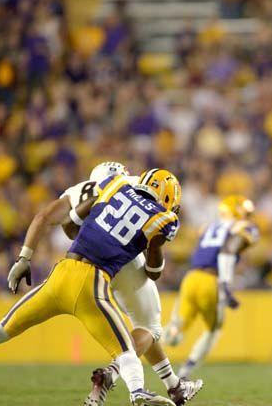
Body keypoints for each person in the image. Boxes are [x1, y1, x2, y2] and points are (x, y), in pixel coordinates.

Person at [0, 168, 182, 406]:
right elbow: (154, 271)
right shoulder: (164, 219)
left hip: (61, 273)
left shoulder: (115, 184)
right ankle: (138, 394)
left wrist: (27, 257)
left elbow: (71, 221)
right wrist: (148, 244)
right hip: (92, 282)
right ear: (168, 197)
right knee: (125, 352)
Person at [61, 163, 202, 406]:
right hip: (122, 260)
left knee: (145, 325)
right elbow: (154, 271)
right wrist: (156, 244)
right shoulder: (133, 189)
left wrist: (25, 256)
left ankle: (175, 386)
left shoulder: (81, 190)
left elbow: (65, 224)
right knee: (150, 327)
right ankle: (111, 373)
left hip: (86, 261)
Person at [164, 195, 258, 377]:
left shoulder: (208, 226)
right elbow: (228, 252)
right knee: (213, 330)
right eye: (245, 213)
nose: (248, 217)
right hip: (211, 281)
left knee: (179, 326)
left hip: (191, 278)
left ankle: (169, 334)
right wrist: (225, 285)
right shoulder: (243, 227)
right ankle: (186, 370)